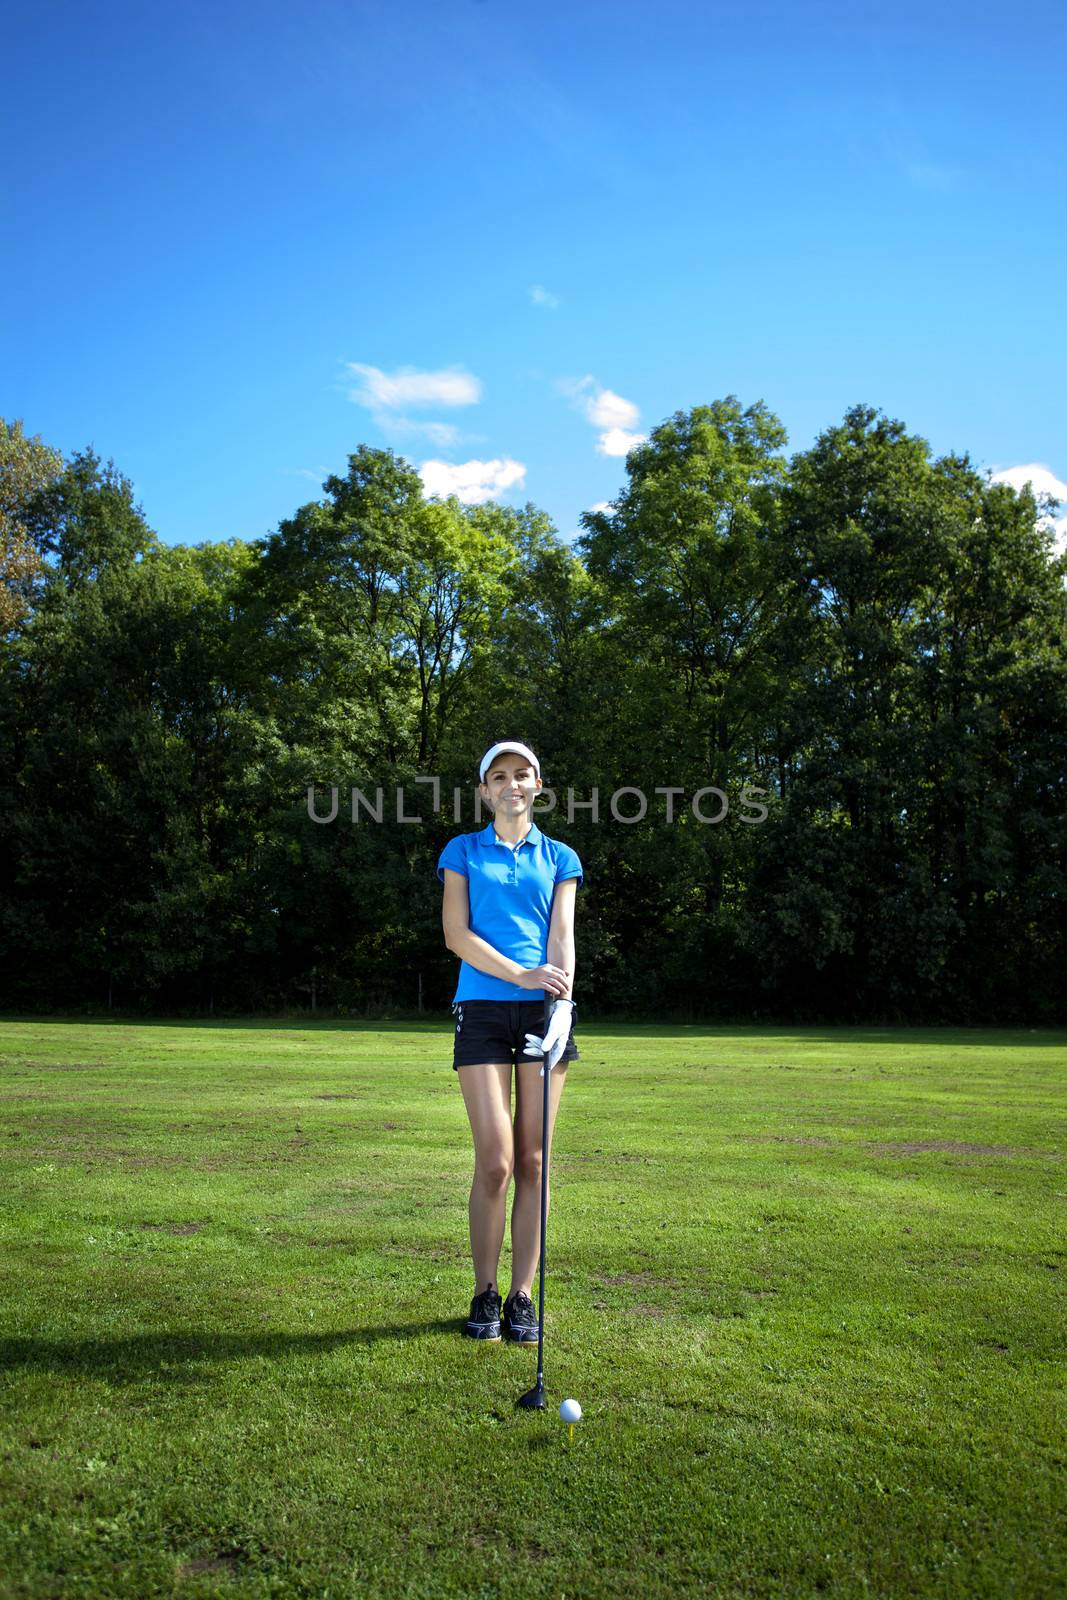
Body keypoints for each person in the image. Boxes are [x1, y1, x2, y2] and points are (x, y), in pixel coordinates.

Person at [436, 740, 583, 1345]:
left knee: (533, 1161)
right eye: (499, 777)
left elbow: (562, 935)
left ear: (538, 785)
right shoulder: (462, 850)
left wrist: (563, 1005)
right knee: (495, 1162)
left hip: (543, 1012)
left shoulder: (561, 856)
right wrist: (519, 974)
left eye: (522, 775)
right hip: (483, 1007)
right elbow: (455, 935)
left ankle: (522, 1297)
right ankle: (484, 1291)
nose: (512, 785)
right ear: (484, 791)